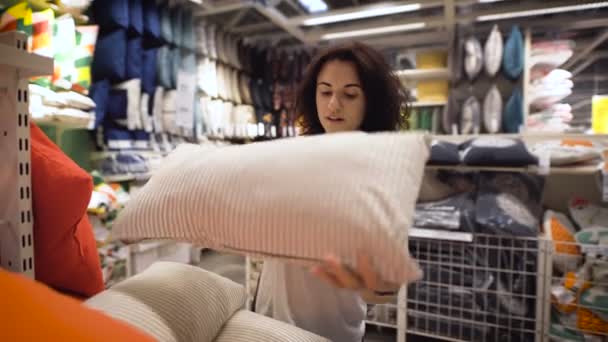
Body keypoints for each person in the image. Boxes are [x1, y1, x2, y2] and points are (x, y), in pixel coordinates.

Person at [255, 42, 411, 342]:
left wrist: (374, 282)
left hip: (330, 332)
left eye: (349, 94)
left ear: (371, 101)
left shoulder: (380, 175)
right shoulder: (290, 156)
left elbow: (382, 290)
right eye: (325, 91)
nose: (333, 105)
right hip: (268, 321)